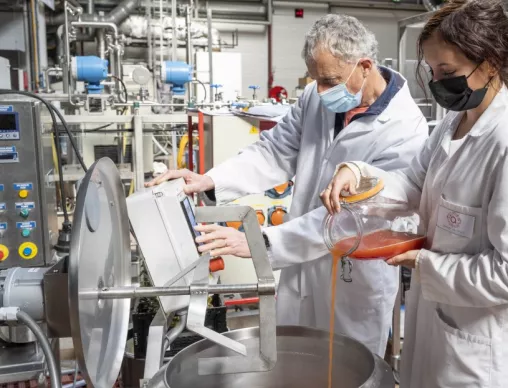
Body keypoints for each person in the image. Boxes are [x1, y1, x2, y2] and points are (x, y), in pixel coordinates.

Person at [146, 14, 428, 356]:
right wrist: (210, 179)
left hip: (354, 276)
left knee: (347, 366)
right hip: (301, 268)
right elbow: (275, 151)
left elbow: (358, 216)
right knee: (294, 358)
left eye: (330, 80)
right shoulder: (317, 97)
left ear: (365, 66)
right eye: (316, 79)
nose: (320, 91)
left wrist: (260, 242)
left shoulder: (404, 128)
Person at [321, 1, 508, 387]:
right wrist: (358, 177)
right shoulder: (452, 124)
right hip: (436, 326)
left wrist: (428, 265)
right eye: (432, 70)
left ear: (491, 63)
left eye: (449, 71)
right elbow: (413, 183)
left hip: (479, 348)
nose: (438, 81)